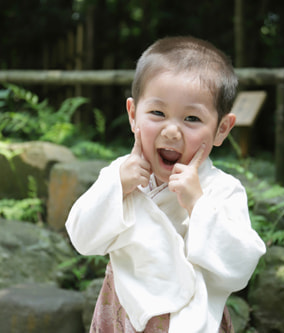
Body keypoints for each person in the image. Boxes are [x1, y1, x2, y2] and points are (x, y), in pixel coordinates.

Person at [65, 36, 266, 333]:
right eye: (157, 113)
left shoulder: (220, 190)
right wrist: (117, 188)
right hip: (123, 314)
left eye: (192, 118)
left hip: (191, 322)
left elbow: (240, 268)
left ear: (222, 129)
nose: (171, 130)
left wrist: (198, 204)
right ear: (133, 115)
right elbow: (81, 238)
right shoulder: (119, 175)